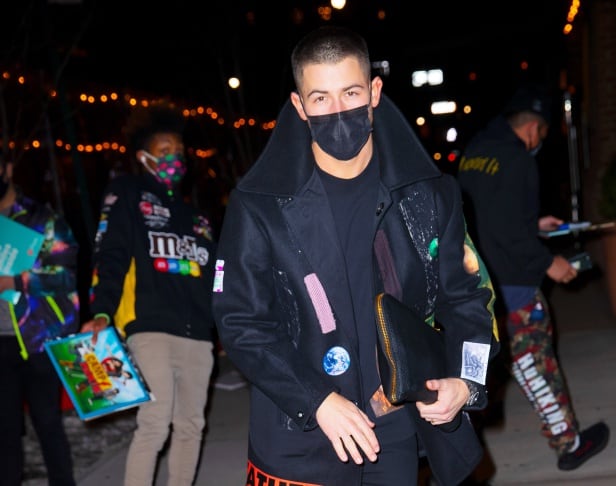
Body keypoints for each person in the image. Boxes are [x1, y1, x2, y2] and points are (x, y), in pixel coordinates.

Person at [211, 26, 500, 486]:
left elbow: (470, 298)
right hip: (298, 438)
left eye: (350, 92)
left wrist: (466, 381)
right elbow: (241, 322)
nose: (338, 110)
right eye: (320, 98)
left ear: (375, 92)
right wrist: (318, 399)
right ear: (299, 106)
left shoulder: (428, 196)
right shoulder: (259, 204)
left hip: (396, 434)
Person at [456, 84, 610, 471]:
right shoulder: (520, 160)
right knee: (536, 365)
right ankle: (569, 444)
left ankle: (459, 460)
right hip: (517, 285)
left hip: (476, 286)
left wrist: (535, 224)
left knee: (494, 372)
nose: (540, 141)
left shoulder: (473, 154)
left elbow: (488, 217)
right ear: (533, 129)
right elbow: (510, 234)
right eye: (542, 133)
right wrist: (549, 262)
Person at [80, 101, 217, 486]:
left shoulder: (197, 217)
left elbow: (216, 275)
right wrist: (102, 310)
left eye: (178, 151)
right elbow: (110, 255)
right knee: (155, 423)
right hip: (151, 328)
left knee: (191, 425)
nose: (175, 157)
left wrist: (223, 319)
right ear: (143, 157)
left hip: (198, 335)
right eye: (164, 151)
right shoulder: (126, 193)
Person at [0, 158, 79, 485]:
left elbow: (66, 276)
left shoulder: (41, 218)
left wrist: (16, 282)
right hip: (0, 346)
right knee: (3, 435)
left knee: (48, 425)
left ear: (7, 168)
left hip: (38, 339)